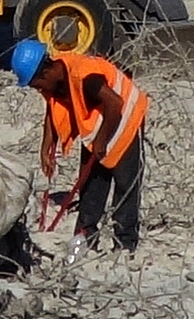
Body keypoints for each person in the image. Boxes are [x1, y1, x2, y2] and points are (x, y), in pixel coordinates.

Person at [13, 36, 149, 251]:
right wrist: (46, 147)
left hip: (127, 118)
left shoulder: (84, 75)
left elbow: (115, 103)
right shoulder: (55, 80)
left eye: (36, 84)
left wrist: (102, 142)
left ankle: (125, 243)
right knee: (91, 183)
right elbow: (53, 107)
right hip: (98, 125)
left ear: (46, 72)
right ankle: (86, 236)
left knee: (125, 183)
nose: (37, 89)